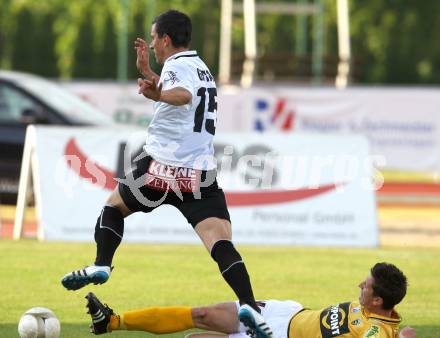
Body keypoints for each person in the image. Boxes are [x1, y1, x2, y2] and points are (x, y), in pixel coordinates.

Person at [61, 9, 272, 338]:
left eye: (155, 37)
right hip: (199, 178)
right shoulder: (201, 69)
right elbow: (187, 96)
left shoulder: (177, 67)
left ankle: (102, 263)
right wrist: (150, 73)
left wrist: (158, 92)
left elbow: (181, 96)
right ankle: (247, 303)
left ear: (166, 39)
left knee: (113, 207)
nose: (153, 44)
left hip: (160, 170)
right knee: (220, 241)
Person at [84, 262, 416, 338]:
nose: (360, 284)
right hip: (286, 312)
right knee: (201, 313)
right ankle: (112, 321)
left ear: (377, 302)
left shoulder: (377, 329)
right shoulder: (376, 310)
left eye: (367, 286)